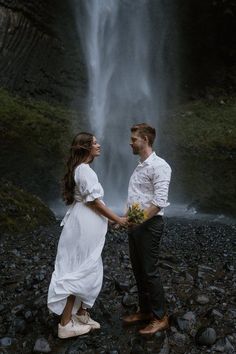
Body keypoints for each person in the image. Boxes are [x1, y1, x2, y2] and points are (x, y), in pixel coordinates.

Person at [48, 132, 127, 339]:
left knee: (90, 266)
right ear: (85, 148)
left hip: (84, 223)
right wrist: (118, 219)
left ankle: (82, 314)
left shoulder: (83, 169)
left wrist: (109, 220)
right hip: (83, 226)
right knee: (80, 269)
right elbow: (94, 202)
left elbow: (93, 203)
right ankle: (65, 324)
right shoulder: (84, 170)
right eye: (94, 143)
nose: (99, 145)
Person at [123, 123, 171, 335]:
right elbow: (139, 199)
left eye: (134, 139)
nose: (130, 142)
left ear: (146, 140)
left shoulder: (159, 166)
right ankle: (144, 311)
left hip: (150, 226)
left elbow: (159, 202)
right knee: (138, 270)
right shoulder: (141, 165)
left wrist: (137, 221)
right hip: (137, 224)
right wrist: (124, 219)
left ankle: (160, 317)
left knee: (150, 272)